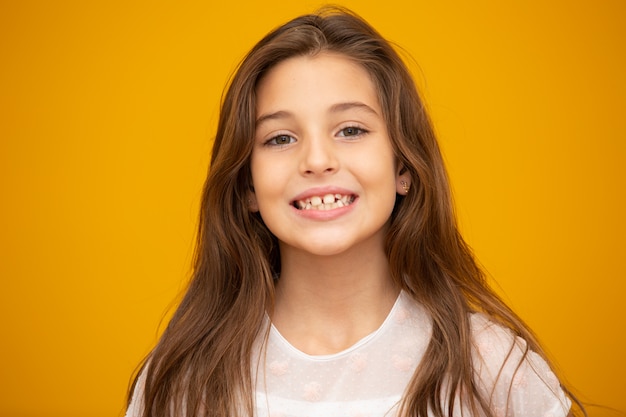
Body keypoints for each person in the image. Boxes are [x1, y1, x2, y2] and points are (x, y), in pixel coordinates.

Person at [126, 7, 584, 417]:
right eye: (280, 138)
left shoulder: (493, 370)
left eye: (350, 129)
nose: (317, 159)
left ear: (402, 165)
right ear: (247, 185)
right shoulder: (182, 382)